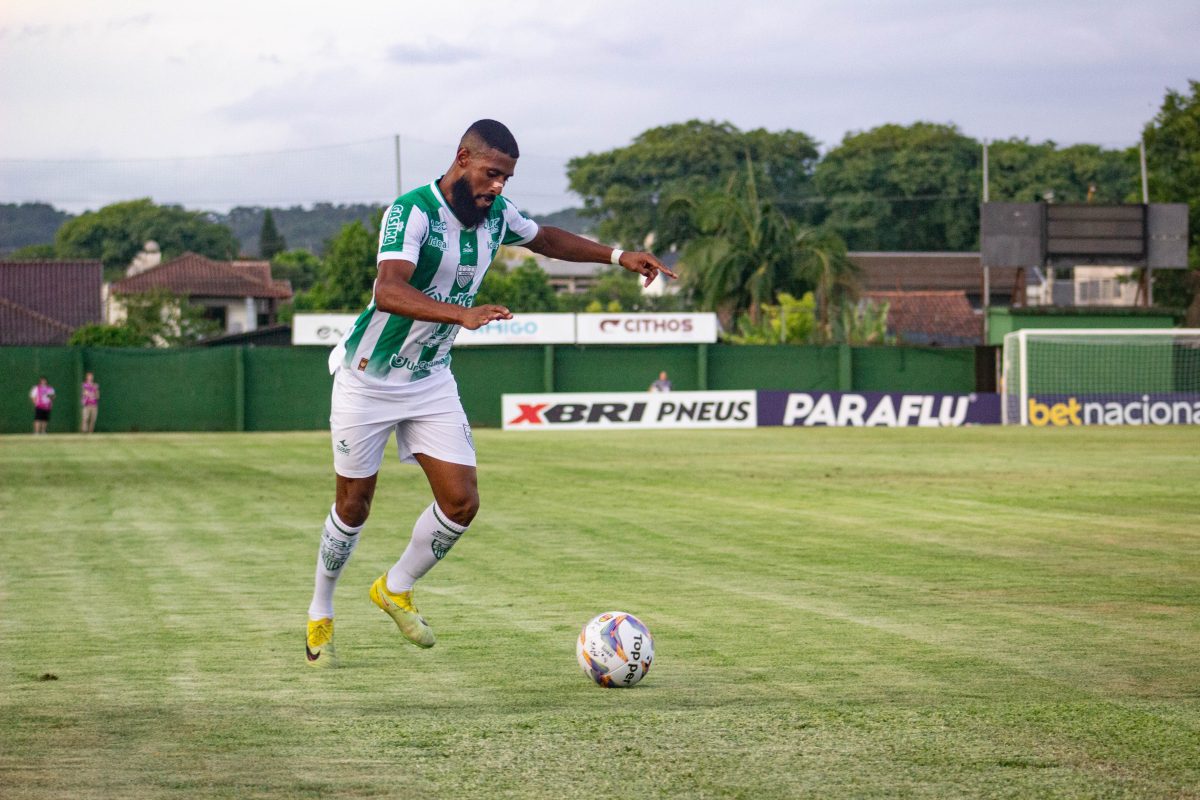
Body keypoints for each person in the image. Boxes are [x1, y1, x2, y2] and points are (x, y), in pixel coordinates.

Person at [305, 119, 677, 668]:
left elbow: (545, 238)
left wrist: (618, 256)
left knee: (462, 502)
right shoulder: (412, 213)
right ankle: (321, 608)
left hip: (429, 377)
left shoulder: (497, 215)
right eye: (491, 173)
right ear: (463, 158)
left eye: (506, 177)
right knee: (353, 505)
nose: (499, 186)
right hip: (369, 378)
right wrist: (463, 314)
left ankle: (395, 587)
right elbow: (388, 289)